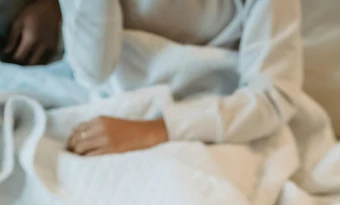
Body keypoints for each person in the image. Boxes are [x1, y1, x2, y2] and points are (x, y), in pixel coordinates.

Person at [2, 0, 302, 156]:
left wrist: (156, 129)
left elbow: (275, 97)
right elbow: (93, 71)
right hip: (100, 97)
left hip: (213, 117)